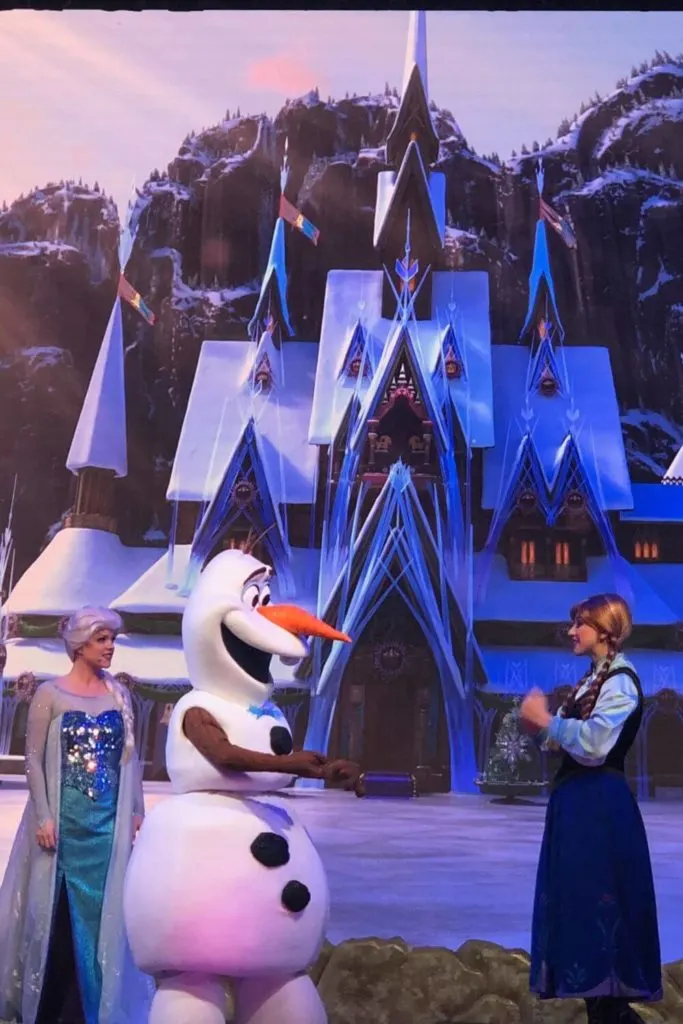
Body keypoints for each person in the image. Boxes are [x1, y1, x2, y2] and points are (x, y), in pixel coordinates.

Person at [0, 607, 154, 1024]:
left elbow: (130, 757)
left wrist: (137, 811)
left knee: (102, 913)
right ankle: (52, 1006)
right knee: (56, 915)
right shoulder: (50, 694)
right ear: (79, 643)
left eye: (112, 640)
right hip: (64, 828)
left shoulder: (119, 695)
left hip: (107, 829)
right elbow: (33, 760)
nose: (110, 648)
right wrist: (44, 817)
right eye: (102, 639)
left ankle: (97, 1003)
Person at [520, 593, 661, 1024]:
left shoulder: (620, 680)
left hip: (600, 812)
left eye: (579, 623)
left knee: (602, 925)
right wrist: (543, 726)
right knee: (581, 920)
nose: (571, 632)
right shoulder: (591, 680)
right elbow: (563, 739)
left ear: (604, 630)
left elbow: (595, 745)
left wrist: (548, 722)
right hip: (580, 809)